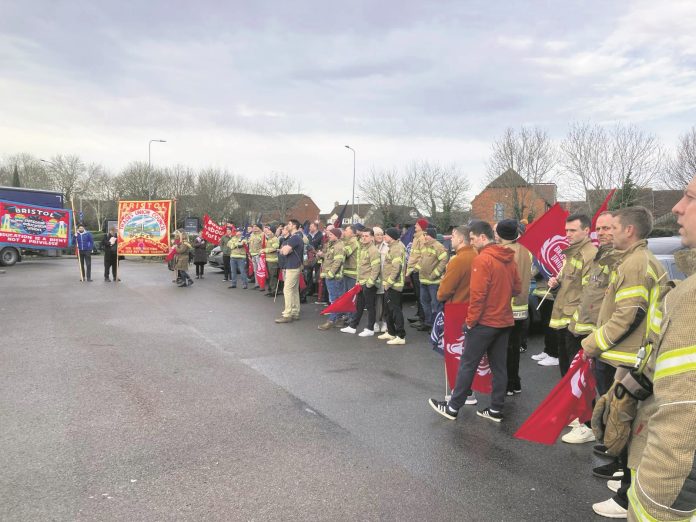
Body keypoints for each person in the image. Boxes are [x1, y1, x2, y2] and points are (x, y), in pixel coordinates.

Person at [581, 207, 666, 518]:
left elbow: (627, 316)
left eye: (613, 227)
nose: (607, 232)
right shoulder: (632, 260)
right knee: (624, 428)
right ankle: (625, 483)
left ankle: (626, 499)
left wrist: (592, 344)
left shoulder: (636, 264)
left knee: (627, 429)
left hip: (631, 360)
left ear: (629, 231)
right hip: (628, 357)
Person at [625, 177, 696, 521]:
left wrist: (651, 506)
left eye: (690, 197)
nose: (677, 207)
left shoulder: (692, 299)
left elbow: (684, 413)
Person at [429, 220, 520, 423]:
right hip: (504, 320)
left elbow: (477, 296)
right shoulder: (508, 258)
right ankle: (496, 409)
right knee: (499, 367)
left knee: (468, 364)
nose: (471, 243)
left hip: (484, 322)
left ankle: (453, 407)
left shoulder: (482, 260)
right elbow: (517, 289)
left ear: (482, 237)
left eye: (472, 239)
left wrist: (470, 323)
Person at [563, 211, 620, 445]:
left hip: (605, 336)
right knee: (591, 383)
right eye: (601, 228)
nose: (603, 233)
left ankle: (608, 440)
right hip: (587, 329)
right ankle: (597, 430)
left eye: (608, 228)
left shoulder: (618, 259)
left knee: (607, 391)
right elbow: (590, 296)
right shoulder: (602, 256)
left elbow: (616, 305)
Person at [548, 213, 597, 376]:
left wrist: (577, 325)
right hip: (564, 320)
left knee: (575, 374)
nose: (567, 234)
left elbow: (589, 294)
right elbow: (567, 286)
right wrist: (555, 285)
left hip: (575, 326)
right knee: (565, 371)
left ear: (586, 230)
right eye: (566, 230)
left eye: (573, 230)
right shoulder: (571, 253)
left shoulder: (589, 255)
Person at [495, 219, 532, 397]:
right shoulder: (526, 250)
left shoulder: (504, 253)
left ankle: (508, 384)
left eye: (496, 232)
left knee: (505, 349)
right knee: (514, 347)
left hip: (506, 306)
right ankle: (515, 382)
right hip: (522, 305)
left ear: (502, 234)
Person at [341, 228, 381, 337]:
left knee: (370, 306)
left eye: (366, 236)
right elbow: (360, 267)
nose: (364, 238)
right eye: (363, 236)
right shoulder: (363, 249)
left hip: (368, 283)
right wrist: (358, 281)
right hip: (361, 282)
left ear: (372, 238)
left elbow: (376, 269)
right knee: (359, 306)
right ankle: (353, 326)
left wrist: (369, 283)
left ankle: (370, 328)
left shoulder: (373, 251)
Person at [416, 226, 448, 333]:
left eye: (427, 235)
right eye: (424, 235)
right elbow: (422, 260)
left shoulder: (438, 247)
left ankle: (437, 326)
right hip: (423, 280)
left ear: (432, 236)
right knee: (425, 303)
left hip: (433, 282)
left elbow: (444, 260)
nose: (425, 237)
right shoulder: (424, 246)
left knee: (435, 304)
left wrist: (435, 274)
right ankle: (428, 323)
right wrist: (417, 269)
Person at [380, 228, 407, 345]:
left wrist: (389, 283)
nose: (384, 236)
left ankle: (400, 336)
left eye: (386, 235)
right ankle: (391, 332)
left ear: (391, 237)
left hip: (394, 285)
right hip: (389, 284)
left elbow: (397, 268)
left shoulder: (397, 249)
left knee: (395, 311)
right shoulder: (392, 248)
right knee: (388, 310)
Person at [530, 262, 560, 366]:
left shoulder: (545, 258)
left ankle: (554, 354)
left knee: (550, 325)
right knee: (545, 324)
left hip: (549, 295)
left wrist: (536, 265)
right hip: (541, 293)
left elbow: (532, 273)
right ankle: (548, 351)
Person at [275, 219, 304, 323]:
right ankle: (295, 312)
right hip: (295, 266)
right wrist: (285, 249)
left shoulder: (294, 237)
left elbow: (285, 251)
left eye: (290, 224)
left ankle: (287, 314)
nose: (287, 225)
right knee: (294, 290)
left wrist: (284, 249)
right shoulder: (298, 237)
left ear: (295, 226)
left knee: (287, 290)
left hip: (292, 267)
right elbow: (286, 249)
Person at [317, 227, 346, 330]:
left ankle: (331, 320)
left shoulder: (338, 246)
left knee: (334, 299)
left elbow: (338, 262)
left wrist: (330, 273)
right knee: (335, 298)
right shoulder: (333, 245)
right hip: (331, 276)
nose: (329, 236)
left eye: (331, 235)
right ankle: (339, 317)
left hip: (334, 277)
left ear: (337, 236)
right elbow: (330, 258)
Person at [406, 219, 428, 327]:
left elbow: (423, 255)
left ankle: (422, 319)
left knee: (420, 296)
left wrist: (416, 268)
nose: (415, 225)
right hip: (413, 269)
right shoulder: (417, 237)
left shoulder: (422, 238)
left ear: (421, 226)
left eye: (417, 224)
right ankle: (419, 315)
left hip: (417, 270)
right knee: (417, 295)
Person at [373, 226, 389, 333]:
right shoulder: (369, 247)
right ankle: (375, 322)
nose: (379, 236)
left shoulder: (387, 247)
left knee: (384, 302)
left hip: (384, 279)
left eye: (381, 234)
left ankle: (384, 322)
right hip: (373, 279)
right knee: (375, 303)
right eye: (377, 234)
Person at [262, 224, 280, 297]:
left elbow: (274, 248)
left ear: (272, 231)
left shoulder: (275, 239)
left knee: (273, 276)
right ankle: (270, 290)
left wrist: (264, 250)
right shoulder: (268, 238)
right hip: (267, 260)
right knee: (269, 276)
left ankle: (274, 291)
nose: (267, 231)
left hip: (273, 261)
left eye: (269, 230)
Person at [248, 223, 264, 288]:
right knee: (255, 270)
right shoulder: (252, 235)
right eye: (253, 226)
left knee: (260, 270)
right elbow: (249, 243)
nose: (254, 228)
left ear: (259, 228)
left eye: (256, 226)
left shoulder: (262, 234)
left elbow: (263, 244)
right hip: (253, 254)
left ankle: (261, 284)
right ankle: (257, 284)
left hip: (259, 254)